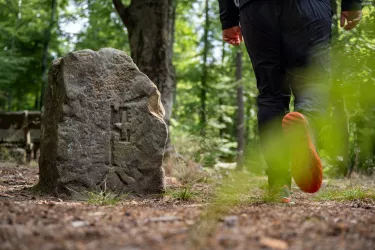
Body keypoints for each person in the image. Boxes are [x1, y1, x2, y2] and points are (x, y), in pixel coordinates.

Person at [218, 0, 362, 203]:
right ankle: (306, 125)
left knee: (270, 94)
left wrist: (228, 17)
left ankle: (278, 185)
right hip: (310, 7)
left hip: (256, 10)